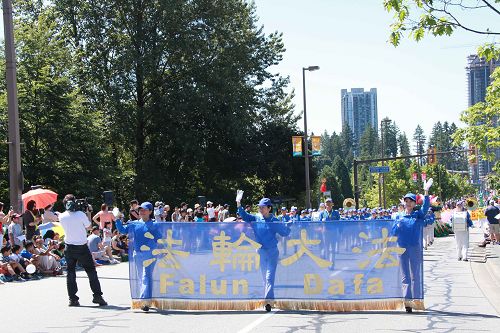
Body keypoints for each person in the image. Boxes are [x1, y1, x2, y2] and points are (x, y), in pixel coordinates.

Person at [236, 196, 291, 312]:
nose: (260, 209)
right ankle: (270, 299)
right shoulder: (256, 218)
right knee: (264, 278)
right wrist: (238, 203)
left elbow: (285, 233)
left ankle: (267, 301)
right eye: (259, 207)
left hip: (272, 252)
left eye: (263, 207)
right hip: (261, 252)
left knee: (269, 277)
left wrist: (289, 225)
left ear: (269, 208)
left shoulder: (274, 221)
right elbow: (244, 216)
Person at [392, 178, 433, 313]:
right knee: (405, 276)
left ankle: (416, 301)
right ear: (404, 203)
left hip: (415, 248)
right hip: (402, 248)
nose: (408, 203)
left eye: (410, 201)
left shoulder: (418, 215)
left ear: (415, 203)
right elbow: (393, 233)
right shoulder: (399, 217)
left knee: (415, 274)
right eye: (406, 201)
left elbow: (426, 207)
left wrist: (426, 192)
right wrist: (395, 228)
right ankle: (407, 302)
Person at [59, 194, 107, 307]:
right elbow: (89, 227)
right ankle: (97, 296)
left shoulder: (62, 216)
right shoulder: (80, 214)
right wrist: (88, 212)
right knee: (91, 271)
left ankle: (72, 299)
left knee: (70, 273)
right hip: (81, 247)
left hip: (69, 247)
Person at [116, 202, 162, 312]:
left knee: (146, 276)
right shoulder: (134, 224)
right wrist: (117, 219)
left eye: (144, 209)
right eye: (140, 209)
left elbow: (159, 239)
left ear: (150, 211)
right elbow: (122, 230)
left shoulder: (155, 225)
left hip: (150, 254)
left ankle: (144, 301)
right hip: (137, 253)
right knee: (142, 276)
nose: (141, 211)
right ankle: (147, 300)